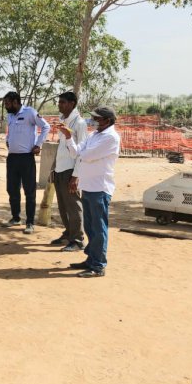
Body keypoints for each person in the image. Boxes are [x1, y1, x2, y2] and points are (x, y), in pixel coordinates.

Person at [58, 106, 120, 278]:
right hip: (88, 186)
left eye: (97, 119)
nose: (93, 121)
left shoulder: (110, 138)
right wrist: (69, 137)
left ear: (107, 121)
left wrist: (79, 150)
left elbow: (86, 156)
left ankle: (98, 265)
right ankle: (91, 259)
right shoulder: (95, 135)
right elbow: (75, 153)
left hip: (100, 188)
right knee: (90, 227)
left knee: (98, 228)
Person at [2, 91, 50, 234]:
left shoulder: (30, 113)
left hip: (26, 158)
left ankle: (30, 222)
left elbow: (46, 127)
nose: (6, 106)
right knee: (12, 189)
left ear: (16, 101)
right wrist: (7, 141)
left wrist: (38, 144)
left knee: (29, 191)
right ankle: (15, 217)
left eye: (8, 103)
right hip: (12, 158)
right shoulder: (9, 115)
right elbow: (10, 132)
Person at [50, 92, 88, 252]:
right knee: (63, 206)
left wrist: (76, 175)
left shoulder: (79, 123)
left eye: (63, 102)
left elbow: (82, 151)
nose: (60, 105)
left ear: (72, 103)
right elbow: (60, 146)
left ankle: (77, 239)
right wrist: (53, 167)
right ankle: (68, 233)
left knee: (73, 206)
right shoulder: (62, 120)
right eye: (59, 102)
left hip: (71, 170)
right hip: (60, 168)